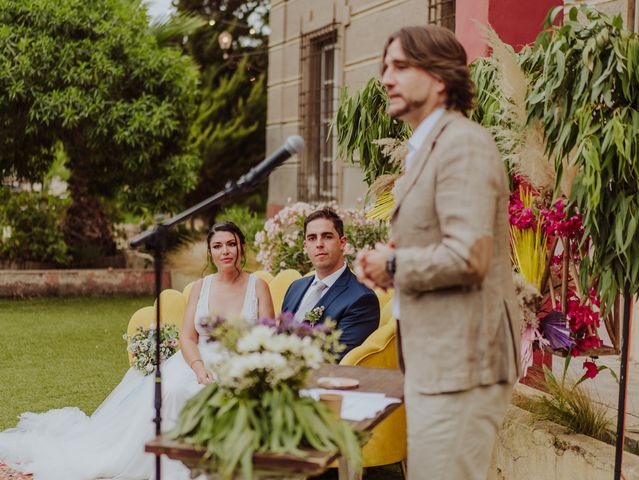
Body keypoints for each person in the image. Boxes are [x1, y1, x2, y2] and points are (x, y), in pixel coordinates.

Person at [356, 26, 521, 480]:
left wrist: (392, 263)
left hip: (464, 364)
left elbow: (469, 258)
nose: (386, 79)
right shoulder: (426, 149)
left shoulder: (461, 144)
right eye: (385, 67)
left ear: (440, 78)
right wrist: (400, 259)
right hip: (436, 363)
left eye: (401, 67)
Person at [0, 221, 274, 480]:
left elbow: (267, 336)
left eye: (231, 244)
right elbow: (187, 338)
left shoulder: (257, 286)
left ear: (242, 248)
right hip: (198, 358)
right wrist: (199, 368)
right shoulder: (201, 288)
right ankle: (178, 466)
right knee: (176, 390)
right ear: (210, 252)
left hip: (242, 362)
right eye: (218, 246)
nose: (225, 251)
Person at [281, 208, 379, 361]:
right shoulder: (295, 288)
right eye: (312, 238)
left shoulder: (362, 299)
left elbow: (337, 360)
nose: (319, 244)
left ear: (342, 243)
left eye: (327, 237)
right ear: (306, 246)